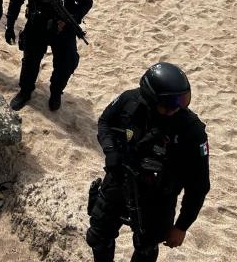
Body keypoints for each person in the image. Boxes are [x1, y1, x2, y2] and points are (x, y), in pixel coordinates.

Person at [86, 63, 210, 262]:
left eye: (180, 103)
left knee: (146, 249)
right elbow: (105, 122)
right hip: (120, 180)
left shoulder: (191, 132)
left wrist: (181, 226)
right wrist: (111, 152)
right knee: (98, 237)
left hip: (157, 199)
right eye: (167, 105)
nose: (174, 110)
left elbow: (199, 186)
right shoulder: (130, 101)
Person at [4, 0, 92, 111]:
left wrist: (69, 19)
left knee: (66, 64)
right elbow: (16, 1)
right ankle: (25, 91)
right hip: (37, 23)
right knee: (30, 60)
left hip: (63, 29)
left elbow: (87, 2)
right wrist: (9, 25)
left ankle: (56, 92)